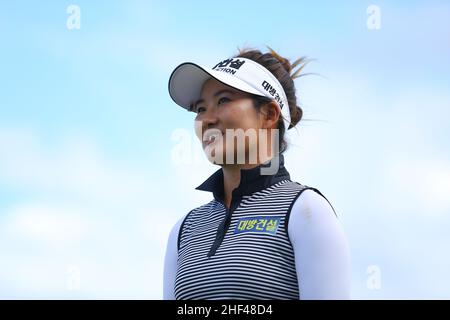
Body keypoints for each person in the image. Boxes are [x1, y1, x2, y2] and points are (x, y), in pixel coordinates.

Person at [163, 47, 351, 300]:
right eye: (200, 108)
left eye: (223, 100)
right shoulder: (184, 230)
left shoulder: (306, 211)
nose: (206, 119)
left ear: (269, 114)